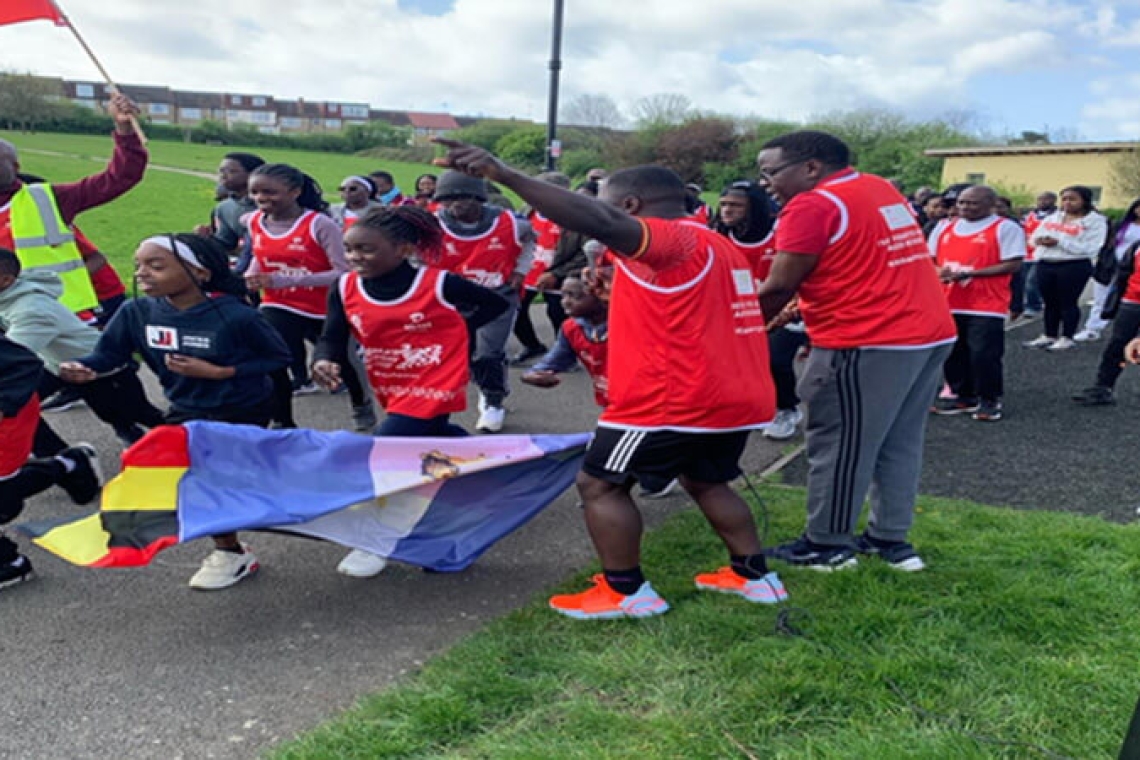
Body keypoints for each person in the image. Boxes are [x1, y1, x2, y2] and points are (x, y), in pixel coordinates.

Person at [436, 139, 787, 620]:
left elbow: (600, 223)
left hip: (673, 399)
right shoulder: (715, 243)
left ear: (630, 207)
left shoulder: (672, 239)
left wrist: (506, 176)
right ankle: (755, 577)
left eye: (602, 203)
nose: (594, 214)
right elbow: (683, 310)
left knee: (600, 484)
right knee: (708, 481)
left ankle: (627, 592)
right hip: (735, 394)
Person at [756, 130, 956, 572]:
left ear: (810, 167)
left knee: (840, 440)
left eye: (770, 172)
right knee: (898, 442)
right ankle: (890, 540)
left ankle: (827, 545)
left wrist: (728, 325)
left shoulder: (811, 204)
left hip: (868, 338)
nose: (766, 183)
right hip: (928, 332)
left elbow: (776, 286)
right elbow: (856, 258)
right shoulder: (877, 186)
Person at [60, 234, 292, 590]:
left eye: (156, 265)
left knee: (226, 481)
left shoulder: (234, 315)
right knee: (198, 481)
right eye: (138, 266)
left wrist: (219, 373)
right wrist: (85, 366)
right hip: (186, 409)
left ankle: (287, 507)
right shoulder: (136, 312)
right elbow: (109, 354)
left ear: (199, 272)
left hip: (244, 408)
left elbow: (278, 357)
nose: (142, 274)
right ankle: (230, 552)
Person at [311, 206, 509, 577]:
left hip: (436, 377)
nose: (355, 258)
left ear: (402, 249)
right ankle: (483, 479)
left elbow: (496, 303)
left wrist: (454, 328)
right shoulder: (345, 286)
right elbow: (332, 337)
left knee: (385, 452)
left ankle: (377, 540)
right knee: (433, 438)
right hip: (391, 380)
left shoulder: (438, 283)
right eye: (350, 249)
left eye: (367, 250)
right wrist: (323, 360)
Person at [243, 163, 376, 430]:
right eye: (255, 192)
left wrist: (285, 279)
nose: (261, 199)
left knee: (343, 361)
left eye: (270, 192)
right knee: (272, 359)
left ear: (294, 192)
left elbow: (342, 272)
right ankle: (282, 420)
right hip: (278, 302)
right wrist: (252, 274)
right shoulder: (254, 221)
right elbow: (261, 254)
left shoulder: (320, 224)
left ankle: (362, 404)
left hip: (324, 305)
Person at [521, 275, 678, 500]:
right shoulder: (571, 328)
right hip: (613, 403)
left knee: (602, 466)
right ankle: (651, 478)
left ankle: (611, 493)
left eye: (574, 296)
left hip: (648, 403)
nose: (565, 301)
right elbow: (549, 363)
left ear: (601, 298)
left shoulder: (628, 323)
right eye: (563, 295)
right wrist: (531, 376)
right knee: (623, 457)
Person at [0, 249, 164, 450]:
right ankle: (61, 459)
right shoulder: (9, 295)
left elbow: (9, 357)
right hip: (56, 364)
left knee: (137, 413)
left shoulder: (31, 311)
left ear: (7, 280)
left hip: (96, 364)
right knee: (13, 403)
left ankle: (193, 438)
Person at [0, 94, 145, 314]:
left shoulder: (47, 199)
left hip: (63, 313)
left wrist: (125, 130)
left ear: (16, 166)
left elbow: (120, 177)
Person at [432, 170, 534, 433]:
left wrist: (521, 270)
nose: (455, 205)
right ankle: (489, 382)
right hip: (453, 298)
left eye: (463, 198)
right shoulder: (433, 224)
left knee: (489, 352)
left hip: (496, 296)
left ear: (479, 197)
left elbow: (530, 241)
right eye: (448, 199)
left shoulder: (511, 222)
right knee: (460, 354)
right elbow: (417, 255)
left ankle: (493, 400)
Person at [0, 334, 102, 590]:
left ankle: (9, 564)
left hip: (7, 416)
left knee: (3, 498)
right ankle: (69, 464)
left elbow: (24, 364)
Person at [713, 180, 804, 441]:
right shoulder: (718, 236)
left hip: (785, 307)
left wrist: (788, 307)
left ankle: (787, 409)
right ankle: (752, 407)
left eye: (736, 206)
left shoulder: (779, 234)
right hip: (739, 310)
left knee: (774, 358)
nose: (727, 211)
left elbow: (797, 275)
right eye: (724, 205)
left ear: (755, 209)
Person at [928, 186, 1025, 422]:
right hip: (949, 300)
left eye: (972, 203)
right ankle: (963, 395)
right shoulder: (943, 227)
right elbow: (929, 260)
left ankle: (989, 399)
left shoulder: (1005, 228)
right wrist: (941, 271)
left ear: (990, 204)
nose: (964, 207)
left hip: (986, 302)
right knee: (953, 352)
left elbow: (1013, 264)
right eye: (961, 203)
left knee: (983, 353)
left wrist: (974, 273)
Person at [1023, 186, 1108, 351]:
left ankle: (1067, 337)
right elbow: (1033, 238)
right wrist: (1040, 240)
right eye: (1065, 199)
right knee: (1050, 302)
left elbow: (1092, 248)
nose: (1067, 202)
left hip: (1073, 265)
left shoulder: (1095, 221)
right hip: (1046, 262)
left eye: (1072, 199)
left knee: (1068, 302)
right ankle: (1049, 335)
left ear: (1084, 201)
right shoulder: (1053, 218)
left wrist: (1060, 242)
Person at [1071, 235, 1140, 406]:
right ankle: (1103, 387)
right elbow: (1125, 272)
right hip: (1132, 300)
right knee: (1117, 344)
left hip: (1131, 301)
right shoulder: (1137, 246)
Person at [513, 172, 571, 365]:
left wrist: (556, 273)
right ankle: (532, 345)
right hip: (529, 273)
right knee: (516, 311)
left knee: (557, 313)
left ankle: (564, 353)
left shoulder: (572, 217)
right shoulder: (528, 211)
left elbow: (581, 252)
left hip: (558, 274)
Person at [1076, 198, 1140, 342]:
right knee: (1101, 297)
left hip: (1134, 269)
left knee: (1130, 301)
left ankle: (1130, 332)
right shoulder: (1120, 225)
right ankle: (1093, 329)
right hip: (1111, 265)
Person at [196, 152, 265, 273]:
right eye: (221, 171)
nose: (223, 176)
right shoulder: (224, 208)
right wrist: (206, 239)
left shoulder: (270, 205)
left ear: (253, 175)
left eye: (231, 171)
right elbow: (226, 244)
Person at [1021, 191, 1058, 317]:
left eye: (1045, 199)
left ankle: (1033, 306)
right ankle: (1037, 301)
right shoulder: (1029, 215)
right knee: (1025, 281)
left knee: (1032, 281)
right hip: (1026, 253)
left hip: (1042, 254)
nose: (1042, 202)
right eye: (1040, 199)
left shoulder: (1057, 217)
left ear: (1053, 201)